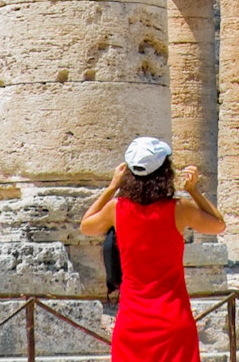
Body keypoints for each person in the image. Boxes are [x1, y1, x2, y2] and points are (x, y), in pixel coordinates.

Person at [79, 137, 226, 362]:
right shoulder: (180, 209)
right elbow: (219, 224)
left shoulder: (116, 209)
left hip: (132, 324)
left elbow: (86, 225)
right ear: (165, 172)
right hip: (173, 322)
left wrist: (111, 187)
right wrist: (193, 191)